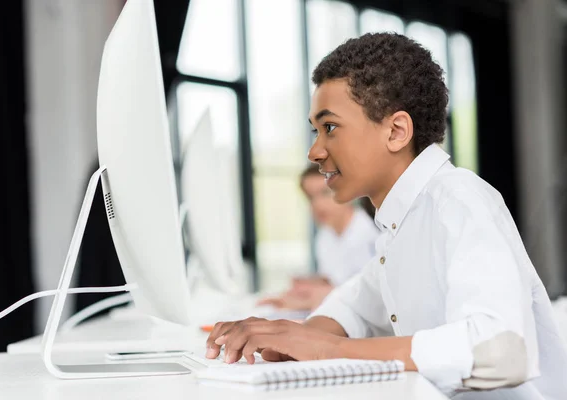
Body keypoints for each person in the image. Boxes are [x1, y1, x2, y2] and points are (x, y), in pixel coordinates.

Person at [205, 33, 567, 399]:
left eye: (329, 128)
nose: (315, 151)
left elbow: (500, 351)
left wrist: (326, 349)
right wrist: (291, 337)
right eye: (315, 131)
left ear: (396, 132)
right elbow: (355, 308)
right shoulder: (397, 227)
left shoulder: (457, 198)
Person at [258, 164, 379, 311]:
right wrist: (308, 285)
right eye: (310, 197)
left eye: (325, 193)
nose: (317, 204)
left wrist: (307, 302)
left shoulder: (372, 235)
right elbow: (336, 280)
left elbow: (371, 297)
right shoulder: (325, 236)